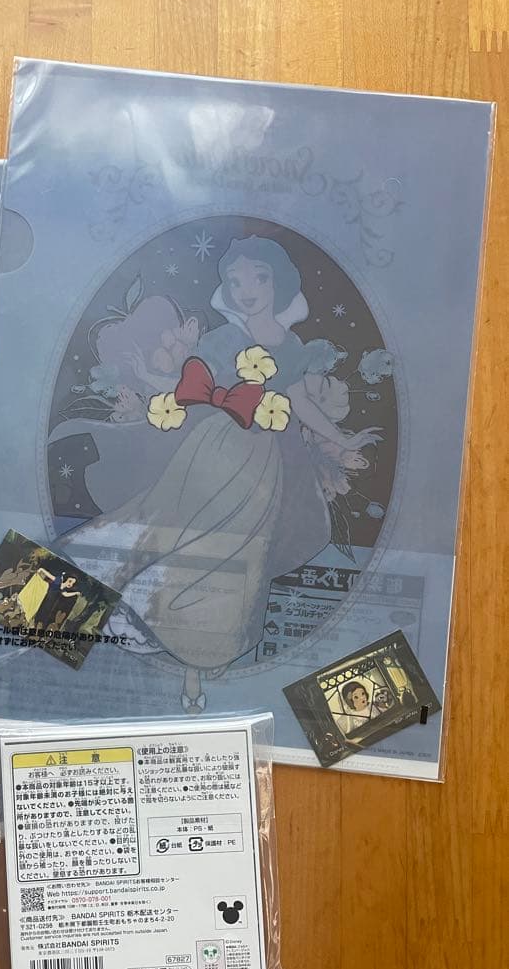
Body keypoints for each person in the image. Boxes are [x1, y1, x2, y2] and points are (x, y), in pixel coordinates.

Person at [58, 236, 381, 713]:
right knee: (156, 520)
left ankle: (163, 628)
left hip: (262, 468)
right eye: (235, 280)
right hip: (209, 451)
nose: (247, 290)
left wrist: (342, 437)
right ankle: (43, 610)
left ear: (278, 281)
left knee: (234, 552)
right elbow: (191, 386)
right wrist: (148, 379)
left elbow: (301, 404)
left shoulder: (291, 346)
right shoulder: (223, 340)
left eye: (258, 278)